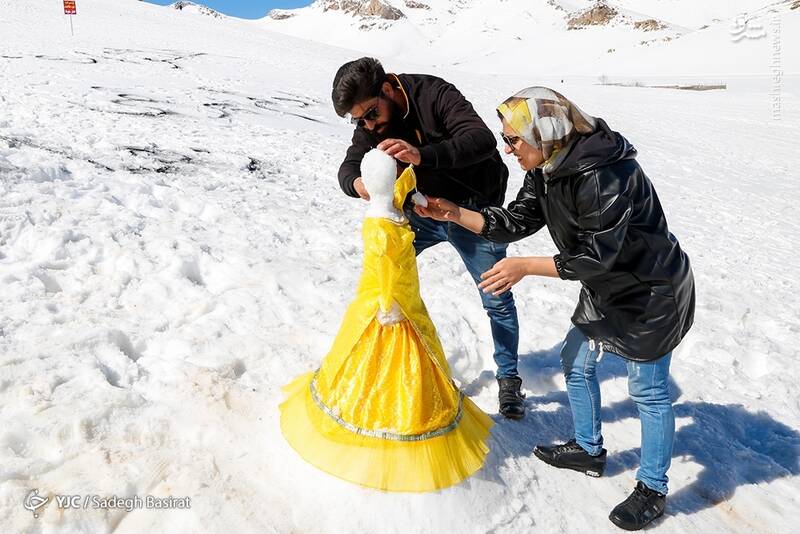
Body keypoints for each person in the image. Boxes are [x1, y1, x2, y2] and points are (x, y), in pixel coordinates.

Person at [415, 87, 695, 530]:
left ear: (543, 133)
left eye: (513, 140)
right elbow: (517, 220)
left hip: (650, 292)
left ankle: (652, 489)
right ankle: (588, 449)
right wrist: (454, 214)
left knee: (648, 391)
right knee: (576, 362)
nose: (508, 150)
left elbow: (596, 256)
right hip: (607, 287)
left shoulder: (604, 174)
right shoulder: (547, 166)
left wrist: (525, 266)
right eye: (505, 139)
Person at [279, 149, 493, 492]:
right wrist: (387, 305)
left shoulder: (391, 201)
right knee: (379, 357)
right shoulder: (379, 222)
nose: (392, 181)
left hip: (408, 297)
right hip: (386, 301)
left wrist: (417, 196)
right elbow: (383, 265)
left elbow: (406, 186)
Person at [331, 57, 525, 419]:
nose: (368, 125)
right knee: (383, 277)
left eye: (371, 114)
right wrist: (358, 184)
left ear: (387, 88)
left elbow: (481, 140)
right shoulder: (371, 125)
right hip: (423, 212)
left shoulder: (433, 93)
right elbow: (348, 166)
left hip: (472, 211)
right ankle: (379, 363)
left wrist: (422, 156)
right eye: (359, 121)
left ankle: (509, 377)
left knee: (496, 296)